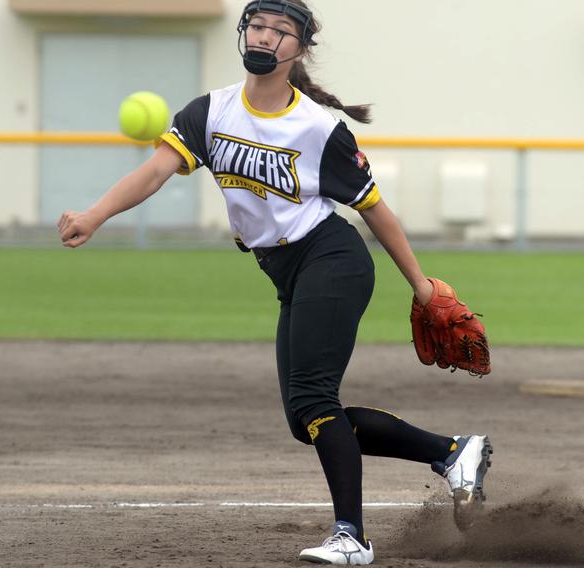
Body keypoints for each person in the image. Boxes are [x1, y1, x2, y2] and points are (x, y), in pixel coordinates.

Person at [57, 1, 492, 564]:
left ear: (299, 49)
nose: (264, 36)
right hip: (287, 271)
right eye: (257, 26)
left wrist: (424, 288)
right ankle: (452, 453)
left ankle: (352, 537)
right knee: (304, 418)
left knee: (314, 398)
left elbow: (375, 210)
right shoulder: (210, 111)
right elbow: (155, 170)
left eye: (279, 30)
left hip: (332, 259)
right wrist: (95, 215)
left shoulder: (317, 127)